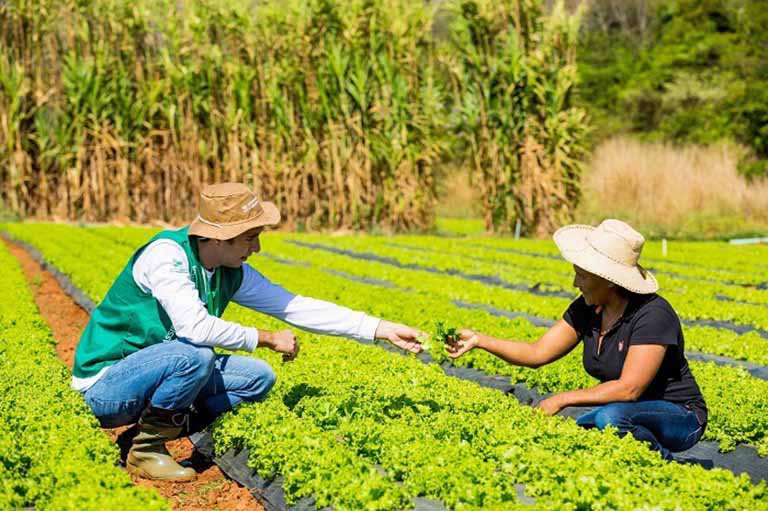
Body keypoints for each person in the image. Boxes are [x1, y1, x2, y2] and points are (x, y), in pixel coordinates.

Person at [72, 182, 424, 481]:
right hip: (106, 390)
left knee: (258, 377)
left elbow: (295, 306)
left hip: (156, 377)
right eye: (250, 238)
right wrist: (266, 337)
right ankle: (146, 453)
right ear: (219, 238)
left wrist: (381, 328)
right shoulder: (167, 256)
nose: (256, 248)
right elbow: (194, 327)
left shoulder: (229, 269)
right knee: (195, 354)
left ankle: (147, 430)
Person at [446, 219, 707, 460]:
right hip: (629, 411)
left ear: (609, 281)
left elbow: (630, 389)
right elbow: (537, 353)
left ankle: (664, 464)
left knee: (611, 419)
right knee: (581, 431)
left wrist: (562, 398)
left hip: (679, 416)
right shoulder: (588, 308)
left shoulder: (653, 315)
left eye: (582, 275)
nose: (575, 282)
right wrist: (479, 340)